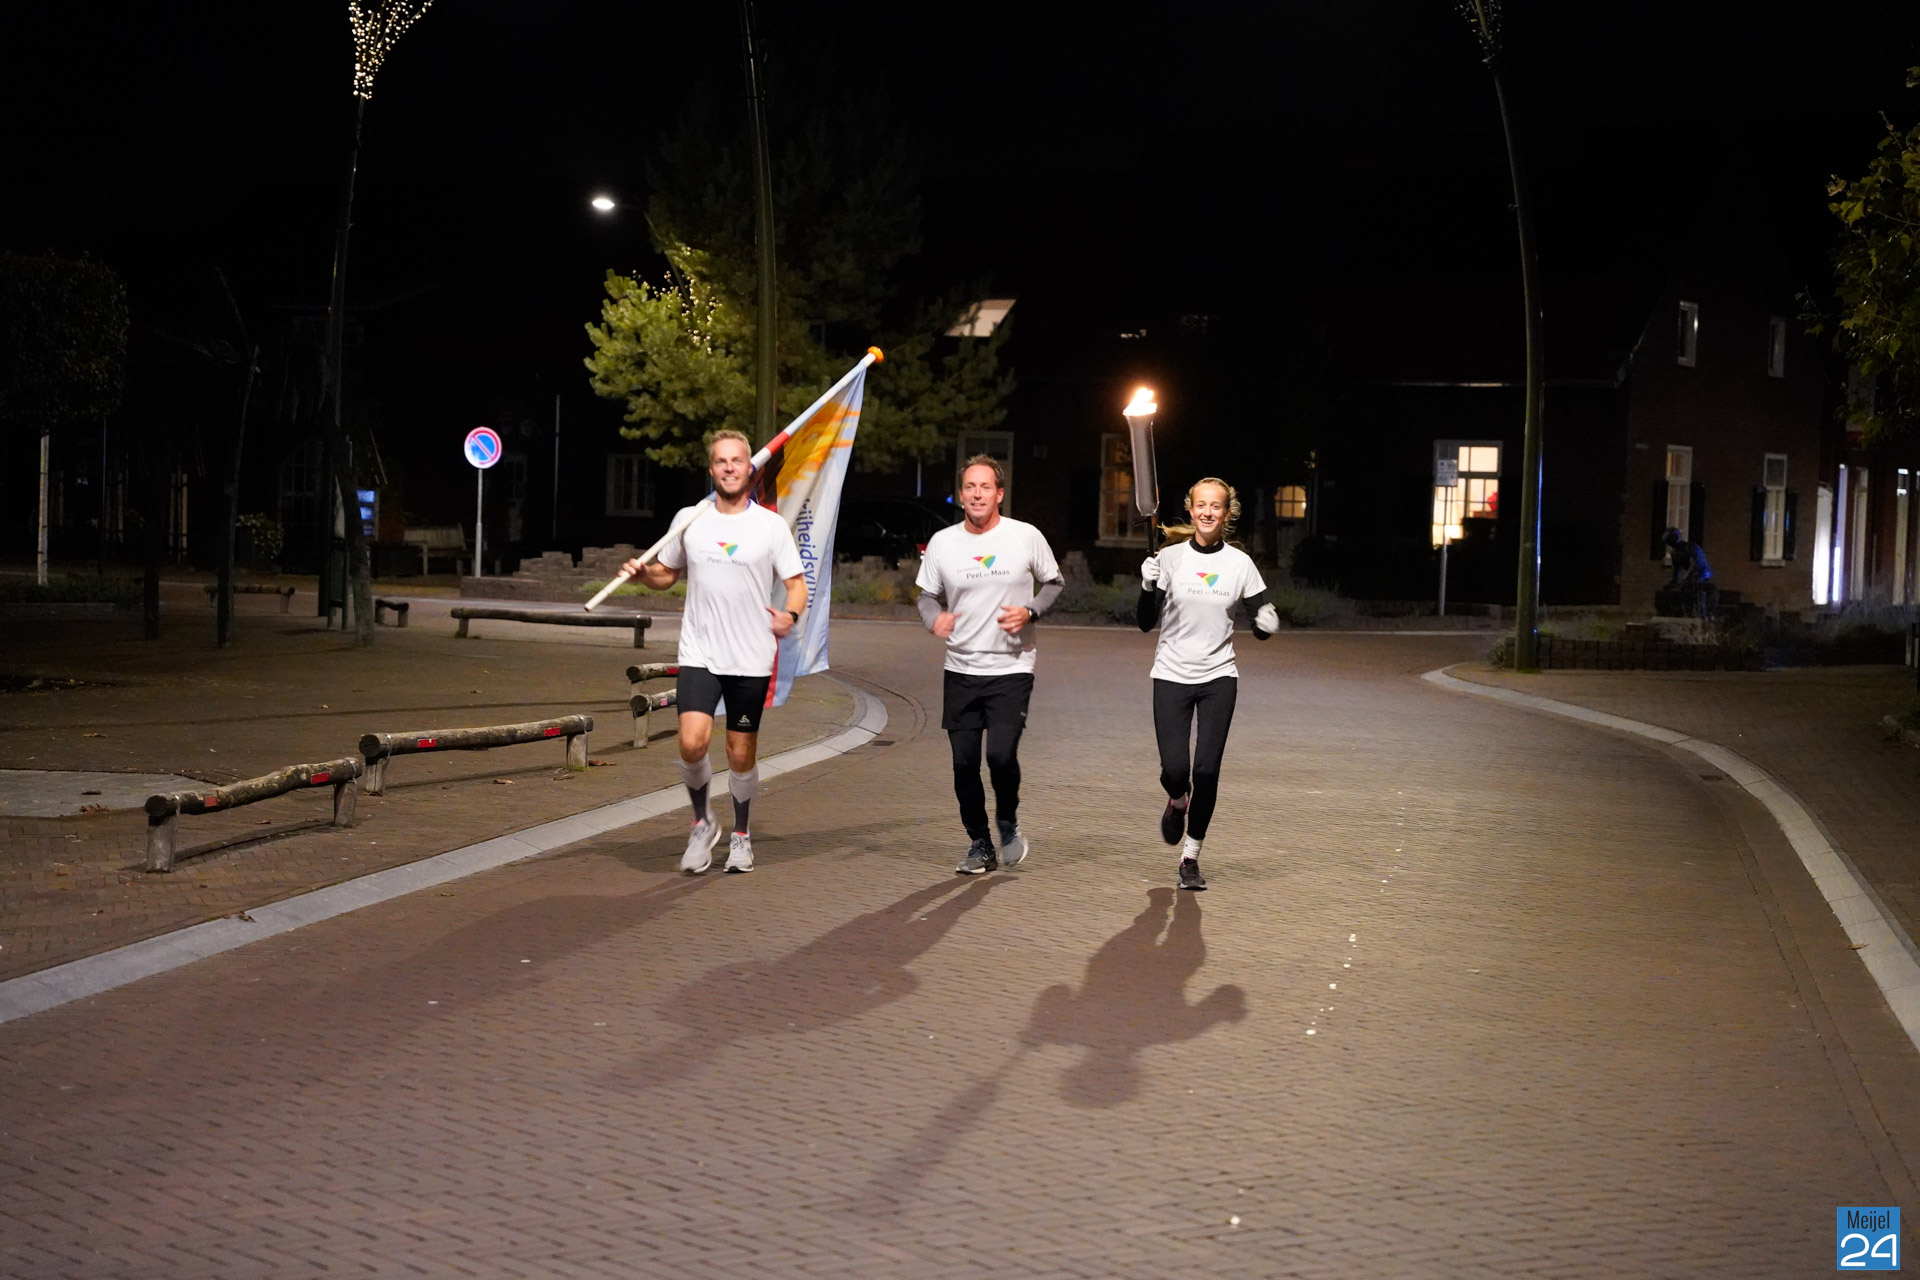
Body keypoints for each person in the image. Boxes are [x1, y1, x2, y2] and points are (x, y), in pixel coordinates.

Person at [622, 429, 807, 875]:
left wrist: (790, 616)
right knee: (691, 743)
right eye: (721, 461)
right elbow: (667, 574)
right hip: (700, 652)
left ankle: (741, 834)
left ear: (750, 469)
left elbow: (796, 585)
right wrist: (643, 575)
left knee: (740, 753)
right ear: (711, 469)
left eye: (736, 460)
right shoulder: (691, 518)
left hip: (750, 656)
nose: (729, 468)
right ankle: (702, 822)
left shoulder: (769, 526)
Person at [916, 455, 1065, 875]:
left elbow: (1054, 582)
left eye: (985, 487)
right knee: (964, 763)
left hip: (1011, 667)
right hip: (961, 668)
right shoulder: (944, 542)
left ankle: (1008, 822)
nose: (977, 494)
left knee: (999, 755)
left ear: (999, 494)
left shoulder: (1024, 536)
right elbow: (926, 596)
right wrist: (933, 618)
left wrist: (1030, 611)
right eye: (970, 487)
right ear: (961, 495)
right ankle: (980, 843)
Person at [1136, 478, 1278, 891]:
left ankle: (1191, 858)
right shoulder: (1170, 558)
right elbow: (1145, 623)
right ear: (1191, 508)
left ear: (1226, 513)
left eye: (1216, 506)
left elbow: (1259, 618)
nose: (1207, 512)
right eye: (1201, 505)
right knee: (1175, 770)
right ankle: (1177, 799)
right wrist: (1147, 585)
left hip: (1219, 677)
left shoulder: (1240, 564)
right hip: (1171, 675)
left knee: (1207, 771)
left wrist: (1267, 623)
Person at [1662, 526, 1716, 618]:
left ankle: (1697, 612)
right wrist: (1672, 582)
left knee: (1691, 588)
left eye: (1671, 539)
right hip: (1692, 575)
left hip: (1701, 572)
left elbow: (1696, 564)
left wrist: (1686, 578)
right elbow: (1676, 571)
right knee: (1679, 589)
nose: (1670, 543)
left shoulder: (1689, 547)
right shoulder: (1674, 553)